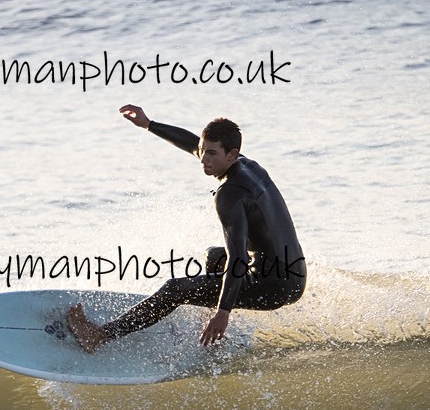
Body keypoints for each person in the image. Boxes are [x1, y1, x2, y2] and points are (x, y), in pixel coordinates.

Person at [67, 104, 306, 352]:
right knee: (214, 256)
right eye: (203, 151)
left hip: (274, 286)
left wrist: (223, 313)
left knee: (175, 288)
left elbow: (238, 259)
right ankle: (213, 327)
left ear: (231, 154)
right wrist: (149, 124)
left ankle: (100, 336)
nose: (203, 159)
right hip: (295, 274)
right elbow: (192, 143)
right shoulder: (248, 166)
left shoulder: (229, 195)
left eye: (211, 153)